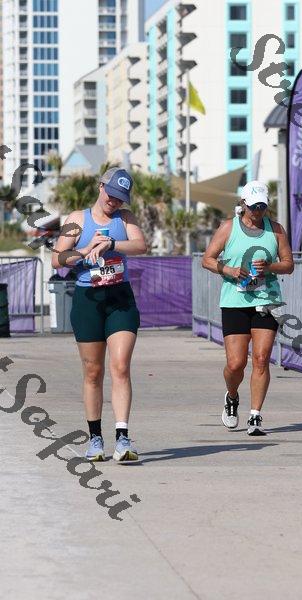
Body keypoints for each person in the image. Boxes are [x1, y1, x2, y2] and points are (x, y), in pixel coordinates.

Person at [51, 167, 147, 461]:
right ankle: (95, 439)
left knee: (120, 366)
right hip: (88, 300)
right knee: (93, 372)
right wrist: (85, 250)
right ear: (100, 187)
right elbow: (57, 259)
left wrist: (112, 244)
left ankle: (122, 439)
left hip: (120, 299)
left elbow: (141, 245)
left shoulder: (125, 219)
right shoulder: (77, 219)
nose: (113, 202)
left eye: (120, 198)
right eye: (111, 194)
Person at [202, 180, 294, 435]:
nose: (258, 212)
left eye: (262, 207)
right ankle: (232, 396)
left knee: (262, 359)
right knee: (236, 364)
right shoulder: (228, 227)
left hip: (266, 300)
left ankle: (255, 415)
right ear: (243, 204)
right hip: (235, 302)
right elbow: (207, 260)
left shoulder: (276, 229)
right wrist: (229, 270)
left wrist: (270, 267)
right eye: (253, 207)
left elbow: (288, 264)